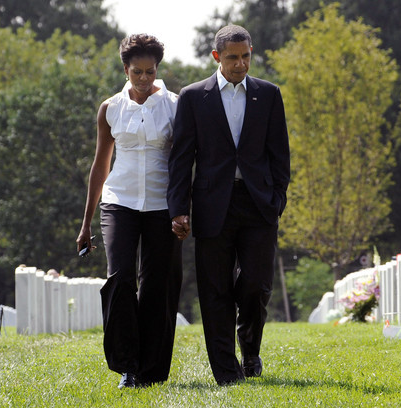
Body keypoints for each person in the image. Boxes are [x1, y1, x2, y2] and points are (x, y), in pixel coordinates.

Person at [167, 25, 290, 385]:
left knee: (256, 285)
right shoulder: (192, 97)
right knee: (215, 290)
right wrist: (178, 208)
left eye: (246, 56)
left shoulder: (269, 95)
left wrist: (277, 199)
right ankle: (226, 371)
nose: (241, 64)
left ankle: (250, 352)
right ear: (217, 57)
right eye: (233, 57)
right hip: (210, 204)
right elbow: (181, 158)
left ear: (252, 52)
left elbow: (279, 154)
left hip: (258, 204)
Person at [76, 34, 182, 389]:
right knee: (120, 279)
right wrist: (86, 222)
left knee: (156, 286)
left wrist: (183, 210)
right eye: (137, 72)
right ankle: (127, 367)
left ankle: (151, 370)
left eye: (150, 71)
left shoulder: (175, 106)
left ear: (157, 69)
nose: (143, 79)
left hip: (161, 206)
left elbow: (184, 163)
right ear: (126, 69)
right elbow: (100, 163)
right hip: (118, 202)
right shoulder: (110, 108)